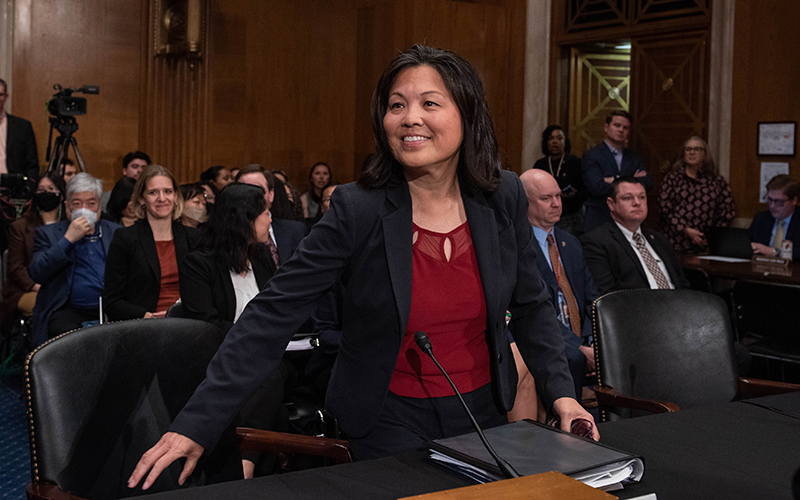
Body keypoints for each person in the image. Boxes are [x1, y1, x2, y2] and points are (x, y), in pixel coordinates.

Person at [128, 44, 595, 491]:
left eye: (429, 102)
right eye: (396, 105)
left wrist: (562, 394)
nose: (410, 117)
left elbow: (532, 305)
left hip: (485, 414)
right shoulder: (358, 208)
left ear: (467, 114)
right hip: (387, 421)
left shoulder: (503, 195)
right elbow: (271, 316)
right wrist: (196, 422)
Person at [179, 183, 289, 479]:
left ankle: (243, 468)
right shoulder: (198, 264)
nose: (270, 220)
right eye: (265, 213)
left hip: (269, 354)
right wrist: (254, 337)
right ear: (244, 219)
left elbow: (279, 311)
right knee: (268, 375)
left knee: (269, 369)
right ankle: (247, 468)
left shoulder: (263, 257)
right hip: (219, 357)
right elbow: (206, 326)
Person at [516, 169, 598, 403]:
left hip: (581, 334)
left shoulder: (570, 242)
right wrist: (579, 347)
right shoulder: (518, 245)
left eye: (559, 197)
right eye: (546, 198)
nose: (556, 204)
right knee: (573, 357)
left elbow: (592, 298)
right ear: (525, 203)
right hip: (546, 334)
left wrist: (593, 341)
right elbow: (533, 309)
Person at [28, 173, 120, 346]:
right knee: (72, 342)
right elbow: (37, 272)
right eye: (77, 204)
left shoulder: (115, 232)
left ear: (100, 207)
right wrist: (68, 239)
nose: (84, 209)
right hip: (67, 309)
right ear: (67, 207)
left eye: (91, 203)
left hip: (111, 307)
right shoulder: (48, 234)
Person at [104, 165, 200, 321]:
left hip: (187, 322)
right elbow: (112, 301)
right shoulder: (125, 238)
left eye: (168, 191)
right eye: (153, 192)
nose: (162, 198)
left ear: (175, 196)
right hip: (143, 326)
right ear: (142, 198)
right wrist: (146, 317)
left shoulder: (195, 238)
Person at [580, 177, 689, 295]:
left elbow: (682, 284)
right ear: (611, 204)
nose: (637, 203)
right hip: (638, 311)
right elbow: (606, 297)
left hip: (677, 308)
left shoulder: (659, 240)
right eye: (627, 198)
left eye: (642, 197)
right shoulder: (597, 242)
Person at [1, 173, 66, 334]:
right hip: (27, 289)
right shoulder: (21, 227)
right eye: (41, 189)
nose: (46, 193)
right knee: (50, 304)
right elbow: (16, 268)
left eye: (51, 189)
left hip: (62, 287)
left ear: (62, 195)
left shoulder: (69, 225)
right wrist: (37, 286)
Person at [659, 136, 735, 253]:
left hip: (706, 244)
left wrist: (711, 236)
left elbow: (727, 212)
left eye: (697, 149)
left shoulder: (716, 181)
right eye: (688, 149)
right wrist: (685, 229)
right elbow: (664, 208)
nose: (692, 153)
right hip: (676, 242)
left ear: (705, 154)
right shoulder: (672, 179)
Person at [581, 111, 651, 231]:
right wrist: (630, 179)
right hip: (599, 217)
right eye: (617, 125)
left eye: (625, 127)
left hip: (628, 221)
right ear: (606, 127)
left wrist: (612, 179)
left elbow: (647, 183)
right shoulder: (591, 155)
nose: (621, 130)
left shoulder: (634, 158)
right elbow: (596, 187)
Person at [236, 165, 306, 266]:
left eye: (258, 190)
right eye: (245, 191)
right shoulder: (231, 235)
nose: (251, 197)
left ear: (271, 195)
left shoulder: (296, 230)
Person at [531, 125, 587, 236]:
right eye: (551, 138)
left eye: (559, 138)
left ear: (565, 142)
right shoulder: (540, 164)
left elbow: (586, 190)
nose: (555, 142)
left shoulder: (575, 163)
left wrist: (574, 194)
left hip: (571, 215)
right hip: (544, 216)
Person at [749, 174, 800, 261]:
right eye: (770, 200)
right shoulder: (761, 219)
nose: (772, 206)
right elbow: (748, 246)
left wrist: (773, 251)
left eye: (778, 201)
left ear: (794, 200)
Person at [0, 78, 39, 179]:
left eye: (0, 95)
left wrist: (28, 187)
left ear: (6, 97)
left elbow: (32, 165)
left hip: (13, 188)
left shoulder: (22, 127)